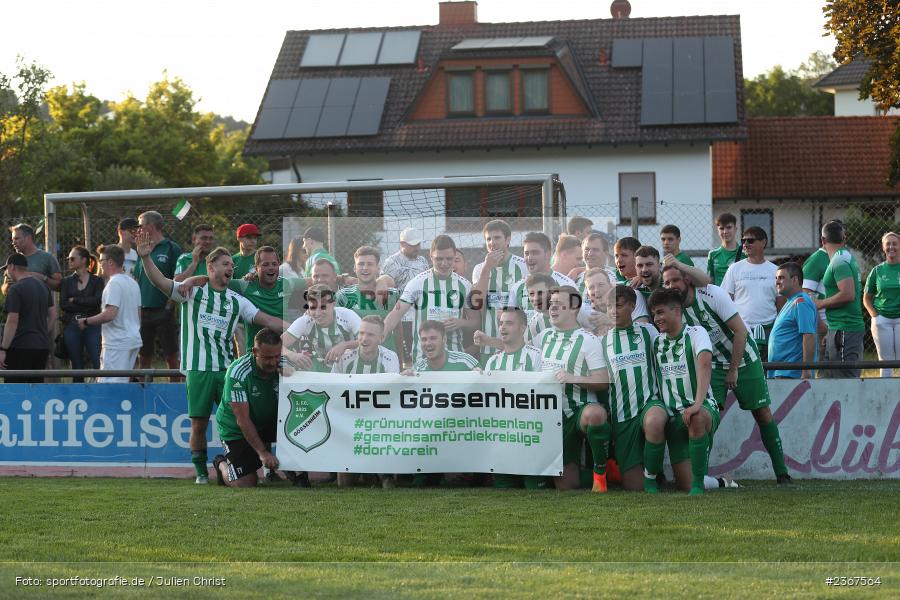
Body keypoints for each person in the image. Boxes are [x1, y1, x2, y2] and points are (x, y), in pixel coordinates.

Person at [136, 231, 287, 484]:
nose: (230, 268)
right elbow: (160, 282)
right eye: (225, 264)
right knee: (199, 424)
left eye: (231, 265)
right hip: (198, 369)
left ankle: (245, 466)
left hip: (227, 371)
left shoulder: (237, 301)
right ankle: (201, 473)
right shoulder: (192, 292)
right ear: (211, 267)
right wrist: (145, 258)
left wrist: (303, 328)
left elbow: (268, 321)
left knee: (242, 420)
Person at [662, 265, 792, 484]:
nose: (671, 286)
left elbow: (740, 331)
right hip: (713, 365)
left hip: (744, 359)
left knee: (762, 413)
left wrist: (733, 369)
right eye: (666, 282)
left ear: (687, 279)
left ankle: (782, 473)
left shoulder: (712, 294)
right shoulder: (674, 310)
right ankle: (700, 477)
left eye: (675, 280)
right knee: (706, 416)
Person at [533, 286, 610, 493]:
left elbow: (603, 381)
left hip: (579, 409)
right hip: (552, 415)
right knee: (567, 486)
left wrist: (573, 378)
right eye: (551, 304)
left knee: (595, 414)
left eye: (559, 304)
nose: (552, 308)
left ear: (574, 308)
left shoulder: (588, 339)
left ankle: (600, 474)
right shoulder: (543, 337)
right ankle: (603, 474)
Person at [644, 288, 718, 494]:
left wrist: (697, 404)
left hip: (702, 407)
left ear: (677, 311)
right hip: (673, 417)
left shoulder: (696, 333)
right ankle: (721, 482)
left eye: (660, 312)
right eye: (654, 314)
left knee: (696, 417)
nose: (656, 318)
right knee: (684, 484)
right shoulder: (656, 341)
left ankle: (698, 487)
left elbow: (705, 364)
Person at [600, 286, 659, 491]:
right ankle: (651, 475)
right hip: (622, 414)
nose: (613, 311)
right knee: (634, 486)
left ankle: (652, 477)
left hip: (649, 403)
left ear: (632, 306)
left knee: (655, 420)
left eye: (618, 305)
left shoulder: (648, 331)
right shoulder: (603, 340)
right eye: (609, 307)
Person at [382, 235, 474, 365]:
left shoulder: (465, 285)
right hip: (423, 360)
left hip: (455, 359)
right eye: (439, 259)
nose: (444, 263)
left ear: (454, 257)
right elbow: (396, 313)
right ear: (431, 256)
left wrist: (461, 323)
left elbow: (476, 322)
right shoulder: (417, 283)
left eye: (449, 259)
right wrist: (380, 335)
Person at [481, 307, 546, 490]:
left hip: (530, 436)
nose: (502, 327)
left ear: (522, 328)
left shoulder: (537, 356)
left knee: (535, 490)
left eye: (509, 323)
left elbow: (543, 397)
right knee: (504, 490)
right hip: (503, 438)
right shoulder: (493, 362)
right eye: (501, 323)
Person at [212, 328, 283, 488]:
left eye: (277, 356)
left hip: (267, 421)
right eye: (267, 358)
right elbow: (243, 420)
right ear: (255, 352)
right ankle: (221, 464)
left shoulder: (284, 362)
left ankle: (299, 475)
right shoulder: (237, 373)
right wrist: (263, 453)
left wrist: (295, 373)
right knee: (244, 483)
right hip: (236, 430)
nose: (273, 362)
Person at [82, 244, 142, 383]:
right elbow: (139, 315)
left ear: (110, 262)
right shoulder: (133, 283)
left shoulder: (114, 283)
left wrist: (86, 321)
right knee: (123, 383)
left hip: (117, 343)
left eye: (101, 261)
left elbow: (110, 314)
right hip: (132, 339)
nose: (100, 264)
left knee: (110, 384)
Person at [470, 220, 527, 363]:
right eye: (488, 239)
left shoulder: (523, 266)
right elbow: (477, 302)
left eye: (497, 238)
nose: (492, 242)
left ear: (508, 240)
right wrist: (487, 268)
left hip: (518, 344)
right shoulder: (479, 268)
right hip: (488, 345)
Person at [721, 227, 781, 361]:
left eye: (751, 240)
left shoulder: (775, 270)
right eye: (744, 241)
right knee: (743, 368)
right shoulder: (734, 269)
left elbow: (780, 304)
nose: (746, 244)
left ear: (763, 242)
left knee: (769, 367)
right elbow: (725, 301)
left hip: (769, 329)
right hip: (741, 330)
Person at [133, 210, 182, 370]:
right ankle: (145, 386)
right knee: (143, 358)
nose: (138, 229)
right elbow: (137, 279)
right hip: (143, 311)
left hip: (163, 311)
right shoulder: (141, 249)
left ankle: (175, 386)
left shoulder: (171, 248)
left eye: (140, 225)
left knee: (171, 357)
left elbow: (178, 279)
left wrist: (169, 306)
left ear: (151, 226)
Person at [815, 221, 864, 378]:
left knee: (844, 380)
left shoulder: (839, 261)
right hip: (839, 329)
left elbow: (848, 294)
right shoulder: (843, 257)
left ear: (823, 240)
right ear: (844, 238)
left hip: (845, 329)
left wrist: (820, 303)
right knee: (831, 378)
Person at [0, 254, 55, 382]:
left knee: (15, 389)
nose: (6, 273)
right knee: (35, 388)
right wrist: (41, 333)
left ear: (12, 267)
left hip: (20, 347)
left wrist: (3, 349)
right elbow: (53, 315)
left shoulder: (16, 289)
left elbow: (12, 322)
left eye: (6, 269)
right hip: (41, 346)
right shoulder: (43, 286)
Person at [283, 284, 362, 372]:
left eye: (322, 307)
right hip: (320, 367)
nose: (317, 313)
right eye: (313, 307)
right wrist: (291, 354)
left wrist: (345, 345)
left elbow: (369, 341)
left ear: (333, 304)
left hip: (348, 366)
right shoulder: (305, 321)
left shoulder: (347, 315)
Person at [336, 246, 401, 352]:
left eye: (370, 264)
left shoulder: (391, 295)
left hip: (386, 357)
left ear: (378, 268)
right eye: (361, 264)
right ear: (354, 268)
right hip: (354, 357)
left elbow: (398, 329)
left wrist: (400, 358)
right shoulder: (343, 296)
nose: (365, 268)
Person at [381, 227, 430, 364]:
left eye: (418, 244)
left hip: (421, 316)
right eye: (413, 245)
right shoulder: (391, 262)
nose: (417, 248)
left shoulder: (422, 261)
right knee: (404, 358)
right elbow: (384, 291)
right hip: (401, 318)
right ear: (402, 244)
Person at [60, 246, 104, 380]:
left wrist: (75, 300)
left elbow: (97, 301)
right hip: (72, 324)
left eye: (72, 258)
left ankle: (101, 388)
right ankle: (78, 391)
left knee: (97, 361)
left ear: (83, 260)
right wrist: (86, 303)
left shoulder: (97, 281)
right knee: (76, 365)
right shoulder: (66, 282)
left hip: (93, 323)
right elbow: (64, 304)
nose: (69, 261)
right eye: (68, 259)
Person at [768, 262, 817, 380]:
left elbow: (808, 335)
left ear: (794, 280)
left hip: (791, 375)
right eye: (776, 278)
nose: (777, 282)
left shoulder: (801, 302)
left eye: (781, 278)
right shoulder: (791, 301)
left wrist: (806, 370)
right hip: (782, 373)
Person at [864, 232, 900, 378]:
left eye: (895, 243)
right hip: (882, 320)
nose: (891, 247)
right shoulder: (877, 271)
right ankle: (885, 393)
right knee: (885, 363)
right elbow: (867, 298)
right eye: (888, 244)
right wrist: (875, 316)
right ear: (883, 247)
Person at [803, 220, 843, 340]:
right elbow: (806, 294)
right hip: (824, 326)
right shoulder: (816, 260)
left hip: (840, 323)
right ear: (824, 239)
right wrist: (821, 326)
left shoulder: (841, 257)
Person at [4, 223, 62, 293]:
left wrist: (43, 278)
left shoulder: (47, 258)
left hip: (41, 299)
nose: (13, 243)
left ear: (28, 238)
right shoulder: (13, 260)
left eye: (16, 238)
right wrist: (9, 284)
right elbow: (5, 290)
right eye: (12, 240)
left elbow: (60, 286)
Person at [332, 315, 401, 374]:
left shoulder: (390, 358)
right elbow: (333, 383)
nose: (364, 339)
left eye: (370, 334)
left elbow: (393, 385)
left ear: (381, 338)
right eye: (361, 333)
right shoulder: (343, 357)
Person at [410, 320, 479, 372]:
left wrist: (479, 376)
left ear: (444, 339)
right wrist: (406, 379)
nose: (428, 343)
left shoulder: (466, 362)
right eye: (424, 339)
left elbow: (482, 381)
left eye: (433, 338)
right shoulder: (417, 369)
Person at [707, 212, 743, 287]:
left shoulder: (745, 253)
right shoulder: (712, 254)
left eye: (729, 227)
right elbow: (710, 281)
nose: (725, 232)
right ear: (717, 230)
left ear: (735, 229)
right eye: (721, 228)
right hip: (718, 294)